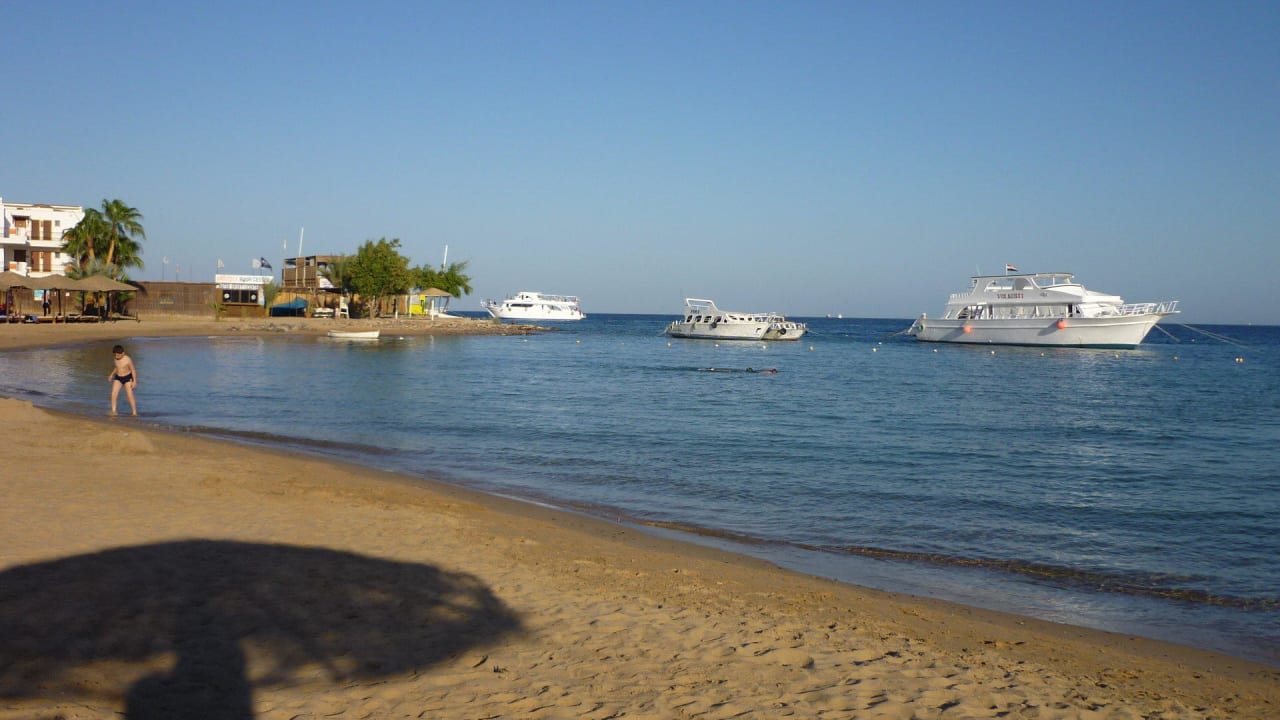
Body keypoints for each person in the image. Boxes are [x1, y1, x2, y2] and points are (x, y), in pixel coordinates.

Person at [109, 344, 138, 416]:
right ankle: (113, 411)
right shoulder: (115, 358)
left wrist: (134, 381)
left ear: (123, 353)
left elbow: (133, 370)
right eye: (115, 355)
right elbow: (117, 367)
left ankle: (134, 412)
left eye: (118, 355)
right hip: (118, 377)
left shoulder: (128, 359)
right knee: (113, 394)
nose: (117, 356)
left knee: (129, 395)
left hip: (127, 378)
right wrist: (111, 375)